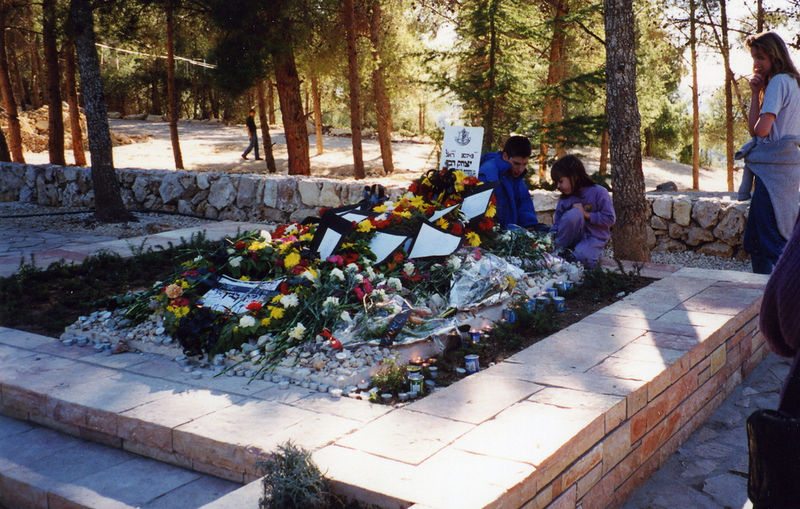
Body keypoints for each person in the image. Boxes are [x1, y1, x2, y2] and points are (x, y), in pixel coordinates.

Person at [737, 31, 800, 274]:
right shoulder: (793, 82)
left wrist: (762, 91)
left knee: (769, 241)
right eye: (754, 57)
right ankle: (766, 291)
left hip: (773, 172)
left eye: (761, 57)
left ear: (775, 55)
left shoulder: (778, 82)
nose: (756, 63)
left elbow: (761, 131)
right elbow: (757, 130)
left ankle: (779, 292)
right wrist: (756, 93)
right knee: (760, 239)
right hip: (788, 170)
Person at [549, 154, 615, 268]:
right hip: (567, 240)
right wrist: (549, 238)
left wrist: (586, 214)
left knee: (582, 258)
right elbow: (558, 224)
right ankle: (559, 251)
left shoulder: (599, 192)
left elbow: (610, 219)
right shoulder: (565, 198)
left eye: (560, 181)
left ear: (574, 177)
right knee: (574, 214)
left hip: (593, 238)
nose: (558, 186)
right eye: (556, 182)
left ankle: (573, 256)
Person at [478, 135, 543, 231]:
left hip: (510, 234)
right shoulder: (488, 174)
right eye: (516, 163)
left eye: (525, 164)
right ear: (505, 156)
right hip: (491, 233)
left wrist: (530, 227)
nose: (521, 169)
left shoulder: (516, 177)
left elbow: (525, 206)